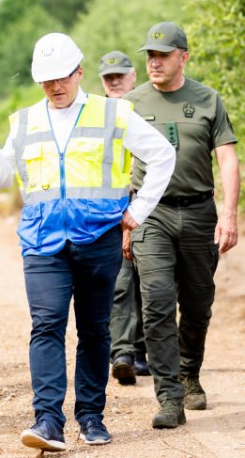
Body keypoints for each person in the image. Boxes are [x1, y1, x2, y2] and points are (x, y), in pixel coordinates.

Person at [0, 33, 175, 452]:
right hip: (42, 241)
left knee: (94, 329)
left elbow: (162, 155)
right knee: (46, 326)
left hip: (99, 240)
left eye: (62, 77)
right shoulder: (26, 120)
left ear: (79, 72)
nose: (54, 86)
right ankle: (47, 420)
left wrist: (138, 213)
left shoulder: (114, 113)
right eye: (46, 79)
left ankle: (90, 416)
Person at [126, 22, 240, 429]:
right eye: (149, 56)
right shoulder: (131, 103)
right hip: (150, 213)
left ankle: (190, 372)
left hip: (198, 213)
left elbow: (226, 158)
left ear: (183, 57)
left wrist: (229, 214)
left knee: (197, 304)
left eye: (162, 55)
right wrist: (125, 218)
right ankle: (169, 394)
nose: (154, 62)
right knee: (156, 300)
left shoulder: (209, 100)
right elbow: (117, 164)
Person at [98, 51, 150, 385]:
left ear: (133, 77)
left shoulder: (146, 109)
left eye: (120, 76)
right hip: (111, 207)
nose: (115, 82)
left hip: (147, 204)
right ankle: (122, 353)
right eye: (109, 77)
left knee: (151, 282)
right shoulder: (97, 115)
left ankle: (143, 351)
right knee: (120, 282)